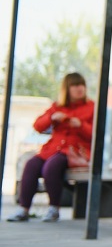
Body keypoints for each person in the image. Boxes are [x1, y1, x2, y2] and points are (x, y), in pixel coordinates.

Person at [7, 73, 94, 223]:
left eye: (82, 85)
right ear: (67, 88)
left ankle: (54, 208)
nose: (80, 88)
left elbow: (96, 134)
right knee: (31, 165)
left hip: (75, 151)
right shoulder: (57, 107)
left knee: (51, 167)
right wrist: (51, 118)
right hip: (52, 149)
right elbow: (38, 126)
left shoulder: (91, 107)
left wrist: (81, 125)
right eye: (75, 85)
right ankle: (24, 209)